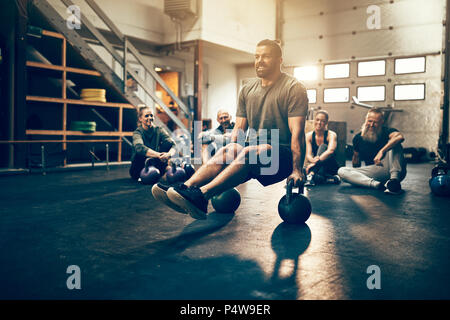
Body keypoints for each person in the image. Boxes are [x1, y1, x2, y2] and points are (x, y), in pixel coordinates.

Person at [152, 39, 309, 220]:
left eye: (266, 57)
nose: (260, 61)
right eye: (257, 56)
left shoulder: (293, 88)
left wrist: (297, 169)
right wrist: (230, 161)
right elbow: (239, 132)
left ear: (279, 60)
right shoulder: (247, 89)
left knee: (250, 151)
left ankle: (201, 196)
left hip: (282, 158)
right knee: (230, 149)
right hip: (255, 152)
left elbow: (297, 134)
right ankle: (185, 190)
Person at [337, 108, 407, 194]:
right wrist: (355, 176)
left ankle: (394, 182)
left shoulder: (387, 131)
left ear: (382, 122)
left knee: (396, 142)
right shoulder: (358, 138)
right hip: (375, 172)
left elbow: (400, 137)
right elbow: (356, 159)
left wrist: (382, 151)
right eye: (369, 121)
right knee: (342, 171)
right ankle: (376, 185)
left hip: (394, 169)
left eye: (375, 122)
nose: (372, 124)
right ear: (365, 120)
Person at [129, 105, 177, 180]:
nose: (150, 118)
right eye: (146, 116)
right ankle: (165, 169)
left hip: (155, 163)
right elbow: (139, 147)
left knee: (167, 143)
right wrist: (159, 155)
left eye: (151, 115)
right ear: (140, 118)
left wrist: (168, 154)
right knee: (139, 151)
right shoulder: (137, 133)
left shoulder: (159, 130)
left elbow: (173, 144)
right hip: (139, 167)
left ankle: (165, 168)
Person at [304, 110, 340, 186]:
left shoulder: (331, 134)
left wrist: (314, 163)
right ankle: (330, 179)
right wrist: (313, 160)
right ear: (314, 120)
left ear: (326, 123)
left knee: (323, 146)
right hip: (319, 167)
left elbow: (331, 151)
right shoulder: (309, 136)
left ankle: (311, 175)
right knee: (314, 175)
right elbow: (308, 155)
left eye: (322, 121)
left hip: (330, 166)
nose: (319, 123)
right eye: (317, 120)